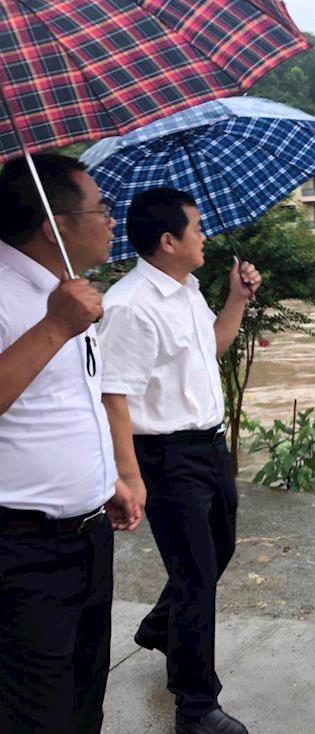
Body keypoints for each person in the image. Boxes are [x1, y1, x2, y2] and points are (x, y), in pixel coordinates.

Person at [98, 188, 260, 734]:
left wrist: (236, 298)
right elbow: (113, 394)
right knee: (195, 577)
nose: (205, 236)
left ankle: (162, 626)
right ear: (168, 241)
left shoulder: (185, 290)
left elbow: (211, 347)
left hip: (208, 447)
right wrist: (128, 474)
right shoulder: (129, 305)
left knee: (218, 551)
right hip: (165, 457)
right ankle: (196, 706)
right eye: (196, 228)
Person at [0, 154, 141, 733]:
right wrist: (55, 327)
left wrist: (104, 476)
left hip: (87, 537)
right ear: (52, 221)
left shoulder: (69, 294)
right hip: (21, 550)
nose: (112, 221)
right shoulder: (16, 297)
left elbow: (64, 407)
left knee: (84, 696)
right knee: (34, 712)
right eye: (101, 208)